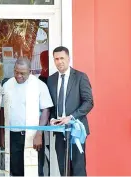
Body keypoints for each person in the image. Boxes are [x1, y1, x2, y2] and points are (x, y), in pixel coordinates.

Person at [47, 46, 94, 176]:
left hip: (76, 131)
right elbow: (51, 106)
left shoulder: (80, 77)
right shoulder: (51, 80)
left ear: (68, 58)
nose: (59, 61)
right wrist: (52, 118)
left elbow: (89, 102)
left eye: (62, 58)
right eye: (56, 59)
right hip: (59, 130)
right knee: (64, 169)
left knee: (78, 169)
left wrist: (71, 117)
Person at [3, 58, 53, 176]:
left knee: (34, 171)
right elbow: (1, 110)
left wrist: (39, 134)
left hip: (33, 135)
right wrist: (2, 134)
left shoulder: (39, 85)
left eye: (22, 73)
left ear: (30, 71)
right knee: (16, 171)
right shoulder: (7, 85)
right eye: (16, 72)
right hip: (13, 136)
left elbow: (46, 110)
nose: (18, 75)